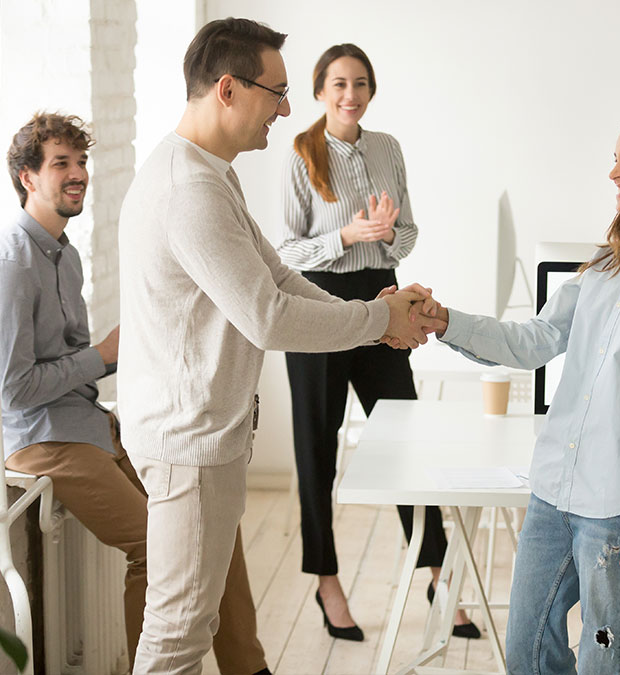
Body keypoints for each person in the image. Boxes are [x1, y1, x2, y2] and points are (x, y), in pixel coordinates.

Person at [117, 19, 439, 673]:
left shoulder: (210, 173)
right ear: (229, 89)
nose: (289, 109)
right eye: (279, 91)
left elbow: (279, 275)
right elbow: (267, 316)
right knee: (177, 632)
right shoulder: (189, 191)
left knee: (196, 619)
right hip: (188, 441)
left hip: (204, 434)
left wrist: (376, 310)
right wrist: (377, 322)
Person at [416, 107, 620, 674]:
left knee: (605, 664)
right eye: (614, 158)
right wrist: (445, 322)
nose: (614, 171)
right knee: (527, 651)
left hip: (616, 510)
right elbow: (534, 340)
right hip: (552, 495)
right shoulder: (608, 264)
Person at [1, 112, 271, 675]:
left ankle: (250, 668)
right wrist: (99, 357)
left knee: (213, 524)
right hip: (42, 440)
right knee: (159, 552)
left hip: (90, 422)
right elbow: (13, 389)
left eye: (81, 163)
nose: (78, 174)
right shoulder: (13, 265)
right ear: (27, 177)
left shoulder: (64, 255)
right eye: (60, 165)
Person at [278, 43, 476, 641]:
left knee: (404, 438)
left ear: (371, 89)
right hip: (317, 304)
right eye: (338, 83)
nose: (350, 94)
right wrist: (345, 234)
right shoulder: (300, 154)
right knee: (317, 448)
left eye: (360, 83)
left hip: (382, 298)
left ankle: (438, 574)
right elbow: (287, 251)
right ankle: (326, 580)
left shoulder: (388, 148)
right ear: (319, 90)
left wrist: (387, 236)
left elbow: (409, 231)